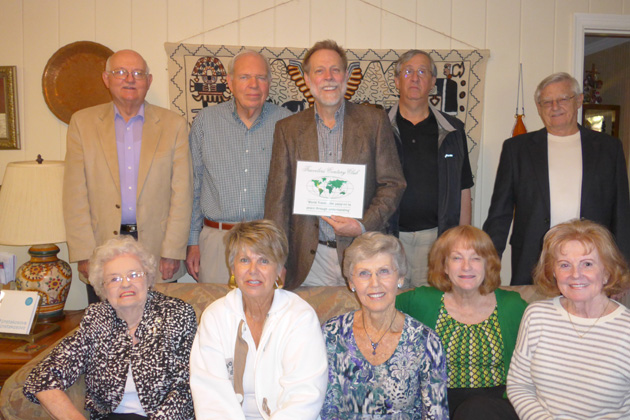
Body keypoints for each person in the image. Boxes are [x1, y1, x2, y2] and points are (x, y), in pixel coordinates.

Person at [264, 39, 406, 289]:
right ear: (307, 80)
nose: (328, 77)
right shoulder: (287, 129)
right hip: (308, 261)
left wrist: (362, 224)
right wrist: (277, 260)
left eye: (335, 70)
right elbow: (278, 202)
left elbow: (393, 184)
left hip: (363, 253)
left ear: (346, 76)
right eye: (319, 71)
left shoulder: (374, 121)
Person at [63, 49, 193, 303]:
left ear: (149, 80)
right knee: (107, 330)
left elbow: (182, 193)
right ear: (106, 78)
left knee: (156, 331)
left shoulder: (173, 124)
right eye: (120, 72)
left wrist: (172, 251)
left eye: (138, 73)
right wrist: (84, 253)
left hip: (155, 248)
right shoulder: (82, 123)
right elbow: (74, 194)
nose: (129, 79)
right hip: (102, 248)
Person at [23, 236, 197, 420]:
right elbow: (43, 377)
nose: (125, 283)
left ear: (148, 278)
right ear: (103, 288)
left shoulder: (176, 314)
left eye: (134, 275)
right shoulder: (97, 318)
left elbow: (186, 387)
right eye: (114, 279)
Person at [483, 72, 630, 285]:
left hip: (592, 260)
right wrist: (488, 262)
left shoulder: (608, 148)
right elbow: (500, 212)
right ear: (539, 107)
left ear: (579, 100)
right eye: (547, 102)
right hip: (533, 258)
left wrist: (621, 270)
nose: (555, 107)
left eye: (563, 99)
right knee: (535, 315)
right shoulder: (517, 149)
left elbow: (621, 212)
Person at [189, 220, 327, 419]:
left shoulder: (300, 317)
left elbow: (304, 396)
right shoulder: (215, 317)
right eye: (244, 260)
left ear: (279, 271)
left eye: (264, 261)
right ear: (233, 269)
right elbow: (210, 396)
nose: (253, 270)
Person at [396, 225, 526, 419]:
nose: (467, 266)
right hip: (438, 405)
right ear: (444, 266)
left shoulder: (513, 306)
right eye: (457, 258)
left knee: (475, 410)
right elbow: (379, 311)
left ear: (487, 264)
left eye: (476, 258)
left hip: (496, 407)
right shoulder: (420, 301)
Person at [508, 219, 630, 419]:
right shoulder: (537, 315)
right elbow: (519, 384)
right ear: (554, 272)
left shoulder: (626, 330)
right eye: (565, 265)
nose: (575, 274)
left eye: (587, 264)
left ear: (607, 272)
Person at [186, 50, 291, 284]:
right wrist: (193, 242)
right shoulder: (206, 121)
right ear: (230, 82)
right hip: (217, 243)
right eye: (244, 77)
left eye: (261, 78)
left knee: (264, 315)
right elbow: (194, 184)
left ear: (269, 84)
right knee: (216, 313)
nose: (253, 85)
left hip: (267, 242)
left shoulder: (287, 122)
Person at [322, 232, 448, 419]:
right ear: (351, 282)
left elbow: (436, 415)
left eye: (384, 271)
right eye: (364, 273)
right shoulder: (331, 334)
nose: (375, 283)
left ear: (400, 278)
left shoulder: (426, 342)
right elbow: (325, 408)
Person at [389, 50, 474, 288]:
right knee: (394, 310)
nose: (415, 78)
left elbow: (463, 187)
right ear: (397, 81)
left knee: (434, 308)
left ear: (433, 82)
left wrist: (461, 241)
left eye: (422, 72)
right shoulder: (377, 127)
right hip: (390, 240)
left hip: (438, 239)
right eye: (408, 71)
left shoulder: (453, 130)